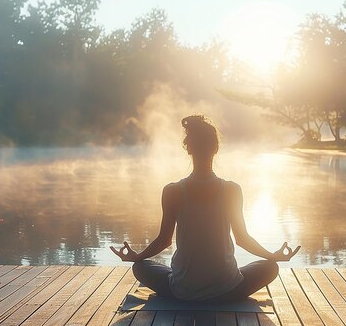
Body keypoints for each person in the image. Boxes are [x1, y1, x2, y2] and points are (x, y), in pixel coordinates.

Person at [110, 115, 300, 302]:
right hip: (227, 289)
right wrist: (272, 256)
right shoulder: (232, 190)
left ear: (188, 149)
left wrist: (137, 257)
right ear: (216, 148)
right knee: (270, 267)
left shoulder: (172, 191)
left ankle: (187, 283)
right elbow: (242, 240)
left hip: (183, 291)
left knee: (140, 267)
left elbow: (163, 241)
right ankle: (218, 286)